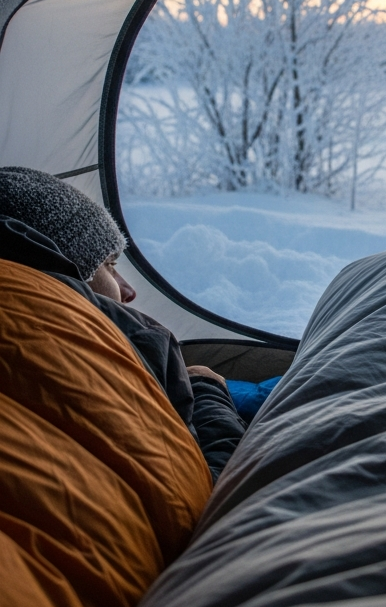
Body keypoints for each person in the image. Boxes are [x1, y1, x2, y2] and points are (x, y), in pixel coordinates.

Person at [0, 166, 246, 479]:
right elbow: (208, 493)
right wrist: (208, 391)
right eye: (109, 265)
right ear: (71, 268)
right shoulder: (72, 351)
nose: (128, 291)